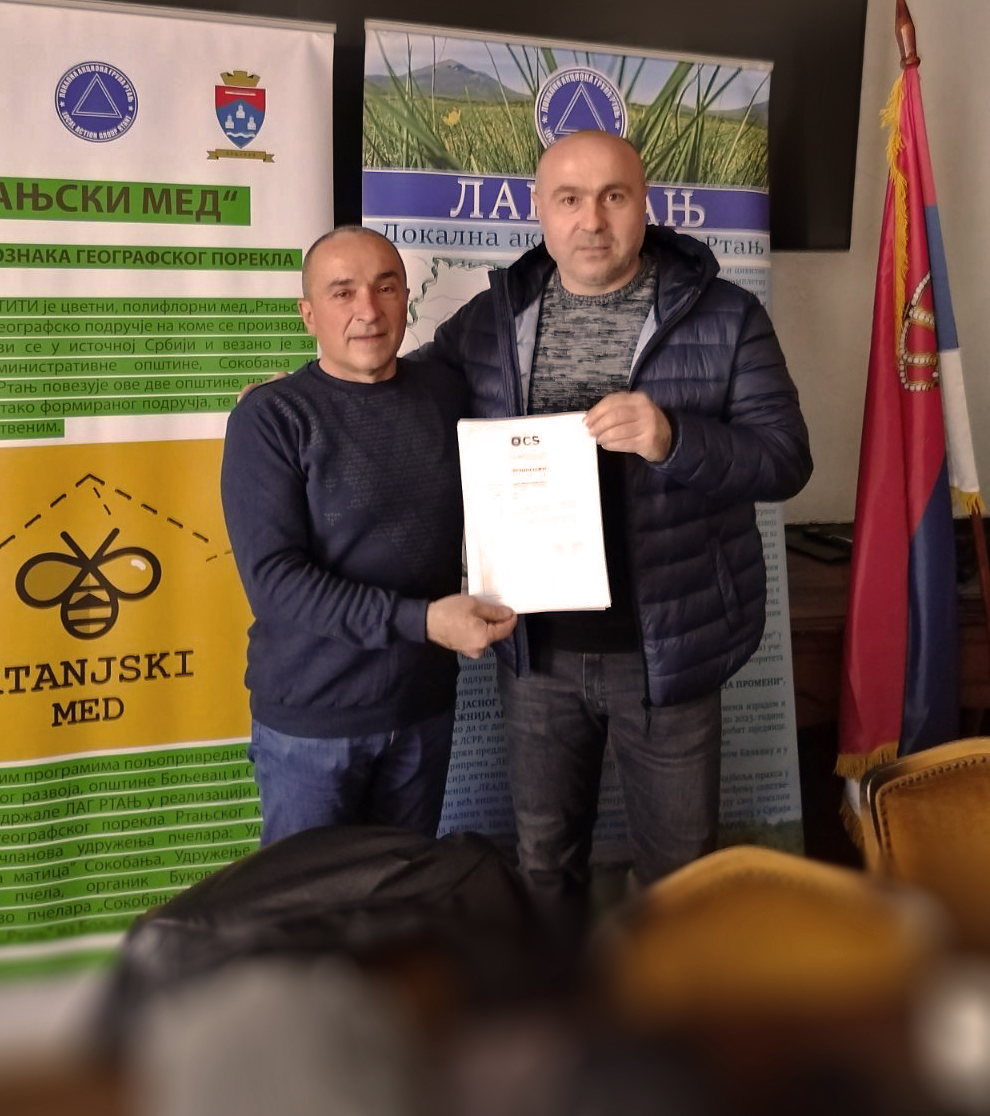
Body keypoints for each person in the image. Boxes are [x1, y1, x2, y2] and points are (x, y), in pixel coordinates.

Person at [423, 130, 812, 920]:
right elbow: (405, 400)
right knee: (543, 864)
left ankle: (665, 1001)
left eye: (613, 196)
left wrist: (674, 438)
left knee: (680, 878)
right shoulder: (493, 318)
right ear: (539, 209)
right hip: (535, 651)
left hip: (669, 652)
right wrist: (307, 399)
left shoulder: (727, 315)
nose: (591, 220)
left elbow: (785, 460)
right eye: (569, 199)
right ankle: (561, 998)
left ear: (645, 204)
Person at [220, 226, 515, 844]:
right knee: (310, 899)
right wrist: (424, 621)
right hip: (312, 726)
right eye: (342, 292)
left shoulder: (445, 393)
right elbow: (275, 583)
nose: (368, 311)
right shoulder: (271, 418)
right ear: (308, 314)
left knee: (403, 894)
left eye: (386, 288)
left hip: (421, 709)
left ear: (406, 297)